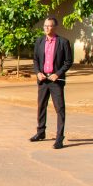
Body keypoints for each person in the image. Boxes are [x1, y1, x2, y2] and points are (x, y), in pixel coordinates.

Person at [30, 15, 73, 149]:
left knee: (59, 109)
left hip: (56, 80)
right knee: (41, 106)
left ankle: (59, 137)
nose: (46, 28)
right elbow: (36, 60)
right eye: (45, 26)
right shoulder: (39, 41)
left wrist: (58, 74)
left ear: (54, 27)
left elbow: (68, 61)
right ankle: (40, 132)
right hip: (43, 80)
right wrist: (38, 72)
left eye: (49, 26)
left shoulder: (63, 42)